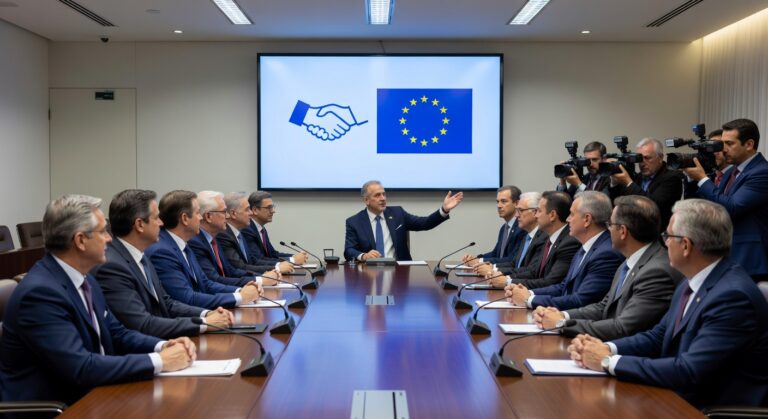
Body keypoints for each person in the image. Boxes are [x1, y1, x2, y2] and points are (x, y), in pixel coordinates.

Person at [568, 199, 768, 408]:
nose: (664, 243)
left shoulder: (732, 297)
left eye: (668, 236)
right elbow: (658, 337)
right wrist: (607, 348)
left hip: (705, 408)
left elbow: (689, 371)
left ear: (686, 245)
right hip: (675, 396)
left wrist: (608, 361)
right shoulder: (689, 282)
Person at [0, 195, 195, 405]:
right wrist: (159, 361)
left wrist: (164, 346)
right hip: (60, 406)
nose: (110, 238)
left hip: (96, 394)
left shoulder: (86, 279)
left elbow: (116, 333)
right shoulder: (40, 294)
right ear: (80, 240)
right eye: (102, 231)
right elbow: (80, 368)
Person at [533, 195, 682, 340]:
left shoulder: (656, 271)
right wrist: (563, 315)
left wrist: (562, 324)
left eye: (610, 225)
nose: (608, 230)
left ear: (622, 231)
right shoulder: (629, 261)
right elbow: (603, 307)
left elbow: (623, 327)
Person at [92, 189, 235, 339]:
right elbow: (142, 324)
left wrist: (207, 314)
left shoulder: (140, 254)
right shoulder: (113, 266)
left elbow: (167, 303)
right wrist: (205, 323)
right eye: (156, 218)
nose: (161, 223)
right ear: (140, 224)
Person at [506, 191, 624, 310]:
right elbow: (563, 287)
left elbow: (582, 300)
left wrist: (529, 299)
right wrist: (528, 293)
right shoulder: (585, 247)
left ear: (587, 219)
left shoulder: (606, 254)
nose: (567, 219)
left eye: (572, 214)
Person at [145, 190, 263, 309]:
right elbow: (187, 298)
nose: (200, 217)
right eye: (197, 213)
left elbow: (205, 283)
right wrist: (240, 297)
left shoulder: (182, 244)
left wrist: (241, 290)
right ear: (185, 218)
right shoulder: (162, 252)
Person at [684, 118, 768, 281]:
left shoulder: (762, 172)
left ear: (749, 144)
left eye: (729, 144)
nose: (723, 150)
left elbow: (732, 208)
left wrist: (702, 179)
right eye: (722, 144)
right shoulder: (730, 172)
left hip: (749, 259)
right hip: (724, 256)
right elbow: (705, 206)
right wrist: (691, 178)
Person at [344, 180, 463, 261]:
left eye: (384, 194)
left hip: (399, 271)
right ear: (366, 200)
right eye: (377, 195)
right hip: (369, 274)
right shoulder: (354, 222)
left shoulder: (398, 213)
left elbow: (425, 223)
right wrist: (364, 256)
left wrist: (444, 209)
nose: (383, 198)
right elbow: (349, 250)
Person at [486, 191, 580, 289]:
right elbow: (533, 272)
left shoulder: (568, 242)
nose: (536, 215)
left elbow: (551, 282)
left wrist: (508, 282)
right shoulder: (549, 238)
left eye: (539, 211)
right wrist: (505, 279)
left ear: (552, 215)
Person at [187, 190, 278, 286]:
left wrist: (262, 278)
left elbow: (231, 270)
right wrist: (259, 281)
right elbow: (214, 279)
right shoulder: (197, 242)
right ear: (208, 216)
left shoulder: (213, 238)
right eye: (223, 212)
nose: (227, 216)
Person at [609, 138, 683, 231]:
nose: (642, 163)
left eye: (647, 158)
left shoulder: (672, 177)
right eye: (640, 158)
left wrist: (628, 183)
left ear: (660, 157)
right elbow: (617, 203)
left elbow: (654, 205)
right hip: (634, 231)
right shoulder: (637, 177)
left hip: (657, 233)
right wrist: (614, 183)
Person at [474, 192, 548, 282]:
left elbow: (531, 271)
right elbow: (514, 263)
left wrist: (499, 275)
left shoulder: (543, 238)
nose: (517, 215)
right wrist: (491, 267)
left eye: (520, 210)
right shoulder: (527, 236)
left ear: (535, 212)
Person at [217, 192, 280, 281]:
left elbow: (253, 261)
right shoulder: (224, 235)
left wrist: (272, 271)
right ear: (233, 214)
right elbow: (239, 267)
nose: (251, 213)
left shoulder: (239, 233)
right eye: (247, 210)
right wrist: (270, 273)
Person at [461, 185, 526, 267]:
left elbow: (512, 259)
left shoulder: (522, 228)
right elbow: (495, 254)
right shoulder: (504, 228)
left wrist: (479, 261)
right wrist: (475, 259)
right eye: (497, 202)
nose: (499, 205)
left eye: (503, 201)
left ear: (516, 203)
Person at [241, 190, 306, 271]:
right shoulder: (247, 230)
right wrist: (293, 261)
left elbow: (272, 254)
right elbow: (258, 260)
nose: (273, 211)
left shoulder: (261, 229)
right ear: (255, 210)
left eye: (272, 207)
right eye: (269, 208)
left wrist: (294, 257)